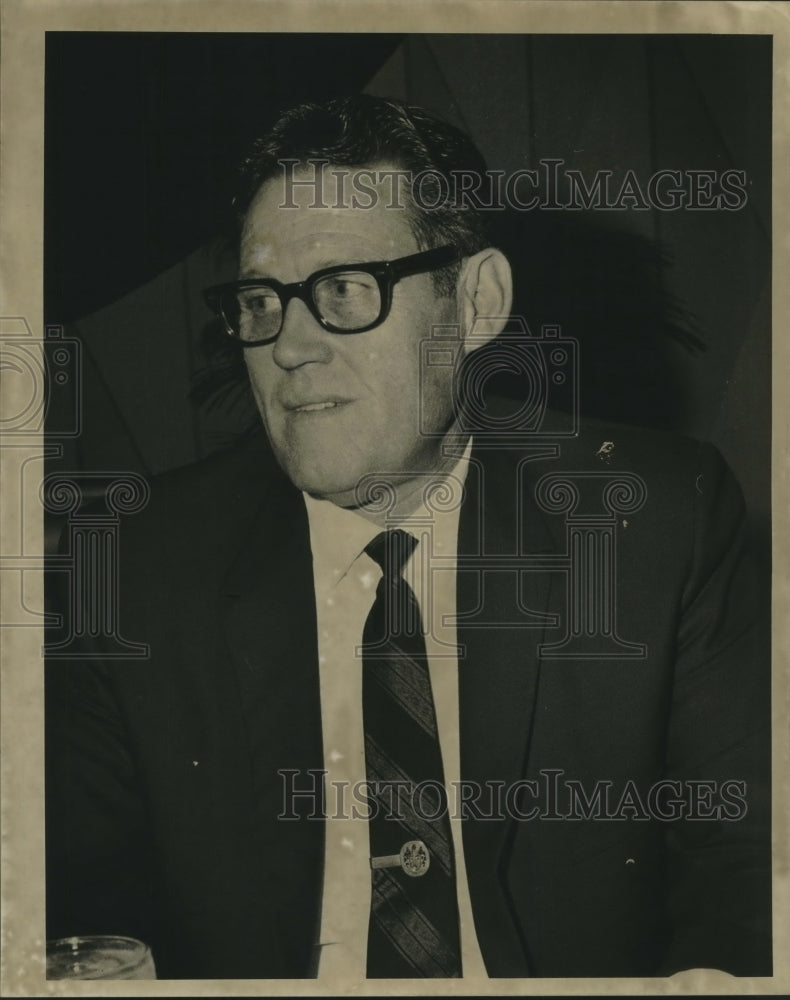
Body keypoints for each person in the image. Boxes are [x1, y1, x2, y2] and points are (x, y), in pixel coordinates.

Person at [45, 95, 771, 981]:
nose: (292, 346)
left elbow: (749, 877)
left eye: (345, 290)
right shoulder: (134, 561)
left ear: (475, 302)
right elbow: (68, 905)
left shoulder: (653, 521)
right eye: (260, 300)